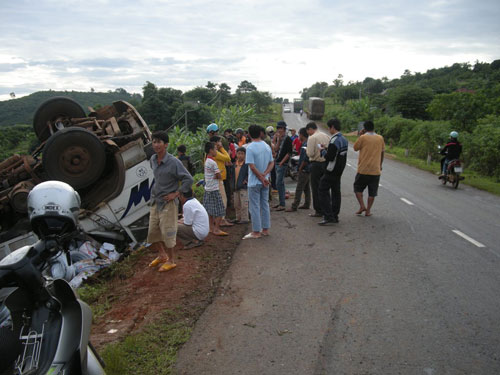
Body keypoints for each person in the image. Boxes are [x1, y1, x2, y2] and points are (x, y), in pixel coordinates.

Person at [147, 131, 193, 273]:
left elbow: (188, 179)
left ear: (166, 145)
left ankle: (172, 260)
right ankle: (162, 255)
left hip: (168, 203)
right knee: (152, 232)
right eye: (154, 142)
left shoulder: (174, 162)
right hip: (156, 200)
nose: (156, 145)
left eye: (159, 142)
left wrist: (176, 193)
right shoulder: (153, 159)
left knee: (168, 232)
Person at [244, 124, 274, 239]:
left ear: (249, 134)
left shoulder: (250, 148)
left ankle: (256, 231)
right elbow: (272, 162)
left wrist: (261, 177)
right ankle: (265, 229)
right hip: (265, 181)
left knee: (255, 206)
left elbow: (251, 166)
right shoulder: (266, 146)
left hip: (254, 181)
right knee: (265, 204)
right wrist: (265, 175)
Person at [318, 119, 348, 225]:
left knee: (322, 190)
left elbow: (330, 157)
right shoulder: (344, 139)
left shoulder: (334, 140)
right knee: (336, 192)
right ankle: (335, 215)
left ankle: (328, 215)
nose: (329, 130)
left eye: (329, 127)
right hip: (339, 170)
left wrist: (323, 151)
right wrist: (328, 148)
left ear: (333, 127)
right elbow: (338, 153)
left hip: (331, 170)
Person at [353, 120, 385, 217]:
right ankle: (368, 211)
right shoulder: (380, 138)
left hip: (363, 169)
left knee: (357, 188)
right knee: (372, 191)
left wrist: (360, 135)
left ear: (364, 128)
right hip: (375, 170)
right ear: (373, 127)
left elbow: (355, 148)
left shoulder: (363, 137)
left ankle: (362, 206)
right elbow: (382, 152)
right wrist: (380, 164)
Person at [306, 121, 331, 217]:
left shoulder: (312, 138)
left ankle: (318, 210)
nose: (308, 133)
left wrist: (307, 151)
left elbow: (310, 153)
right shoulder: (326, 136)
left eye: (308, 131)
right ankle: (327, 208)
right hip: (325, 163)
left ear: (310, 129)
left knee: (316, 188)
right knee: (325, 187)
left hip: (316, 164)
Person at [203, 142, 228, 236]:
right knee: (220, 210)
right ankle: (216, 229)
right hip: (214, 189)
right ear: (210, 150)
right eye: (215, 149)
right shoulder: (213, 162)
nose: (216, 151)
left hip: (208, 188)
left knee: (209, 210)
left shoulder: (206, 161)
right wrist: (219, 174)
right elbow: (218, 175)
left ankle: (210, 228)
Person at [209, 135, 233, 226]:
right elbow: (227, 158)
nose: (221, 143)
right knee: (223, 200)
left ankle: (217, 219)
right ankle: (221, 220)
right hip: (218, 179)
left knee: (216, 200)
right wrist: (222, 148)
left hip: (214, 179)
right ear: (216, 143)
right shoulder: (216, 153)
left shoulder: (209, 153)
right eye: (219, 142)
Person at [286, 127, 311, 212]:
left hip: (304, 169)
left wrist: (300, 168)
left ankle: (294, 206)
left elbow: (305, 159)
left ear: (302, 135)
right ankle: (307, 203)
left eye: (299, 134)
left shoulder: (304, 145)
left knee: (299, 188)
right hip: (307, 169)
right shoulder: (308, 143)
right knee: (306, 188)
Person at [273, 121, 293, 211]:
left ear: (284, 129)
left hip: (282, 164)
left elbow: (289, 153)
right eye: (278, 128)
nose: (279, 130)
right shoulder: (280, 138)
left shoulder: (288, 139)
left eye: (280, 128)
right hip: (277, 162)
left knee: (278, 183)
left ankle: (282, 204)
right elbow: (276, 149)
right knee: (280, 183)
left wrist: (282, 162)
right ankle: (281, 202)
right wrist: (278, 140)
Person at [233, 147, 249, 224]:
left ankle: (245, 218)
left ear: (245, 155)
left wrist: (246, 180)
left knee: (244, 204)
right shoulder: (235, 164)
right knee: (236, 204)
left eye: (242, 154)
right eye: (239, 153)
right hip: (235, 187)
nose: (240, 155)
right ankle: (238, 217)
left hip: (243, 187)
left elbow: (249, 174)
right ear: (236, 154)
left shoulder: (246, 164)